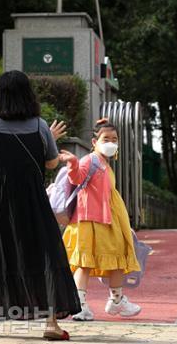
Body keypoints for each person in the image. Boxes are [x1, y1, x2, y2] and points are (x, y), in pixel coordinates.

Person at [0, 70, 80, 341]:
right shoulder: (40, 126)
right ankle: (51, 324)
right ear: (29, 95)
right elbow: (52, 163)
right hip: (32, 200)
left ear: (0, 95)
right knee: (45, 254)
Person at [59, 120, 142, 321]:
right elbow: (77, 177)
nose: (111, 143)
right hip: (89, 220)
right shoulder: (90, 160)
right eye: (106, 139)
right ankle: (80, 305)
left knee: (117, 261)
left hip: (107, 221)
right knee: (84, 263)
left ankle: (116, 300)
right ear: (95, 142)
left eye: (115, 139)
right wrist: (73, 164)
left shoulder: (105, 164)